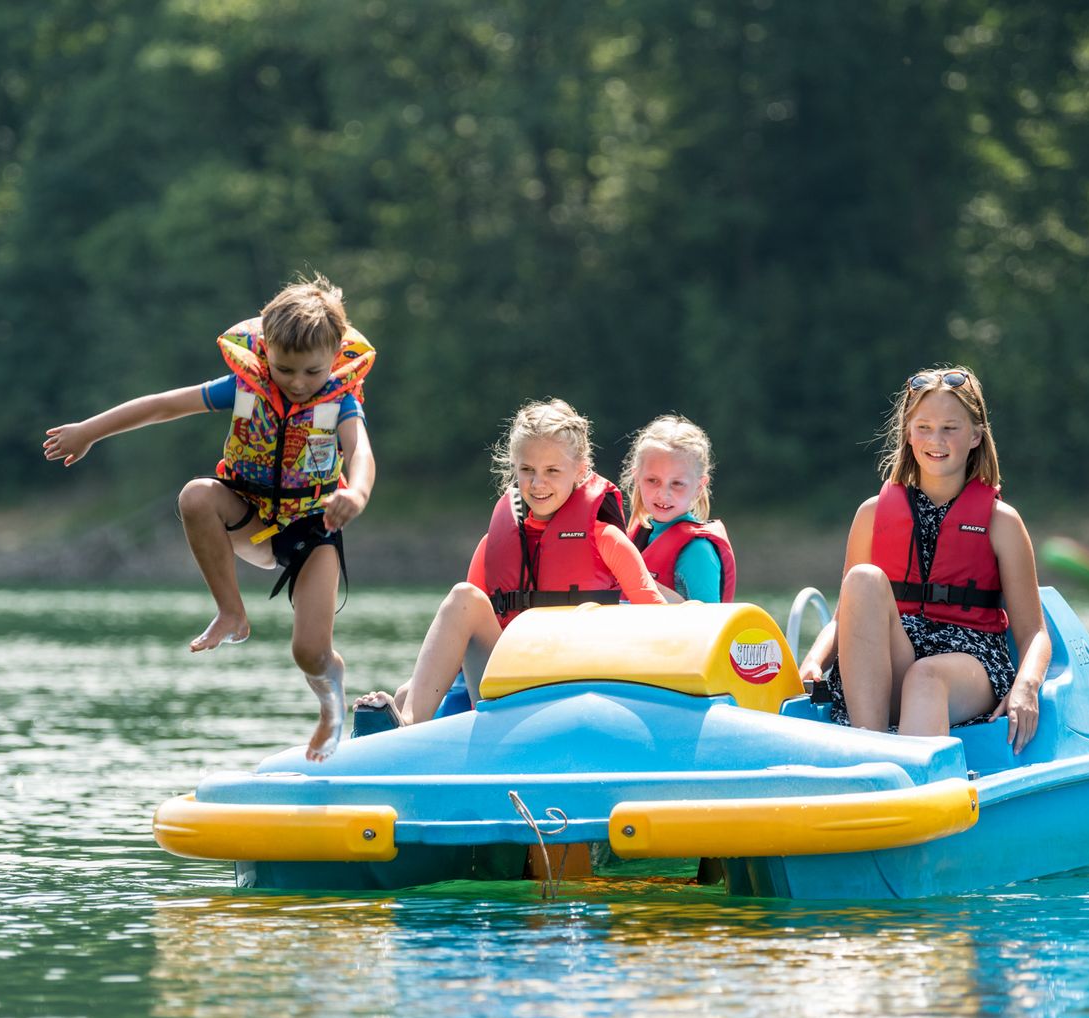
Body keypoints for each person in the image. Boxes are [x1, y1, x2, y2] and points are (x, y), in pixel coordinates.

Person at [41, 275, 375, 762]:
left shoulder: (340, 402)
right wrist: (88, 432)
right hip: (247, 510)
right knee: (196, 496)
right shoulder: (245, 388)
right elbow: (161, 406)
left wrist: (358, 494)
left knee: (309, 652)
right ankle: (231, 612)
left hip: (312, 527)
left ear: (334, 358)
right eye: (285, 369)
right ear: (265, 355)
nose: (299, 384)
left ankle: (330, 700)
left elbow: (360, 452)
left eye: (312, 371)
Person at [353, 399, 666, 728]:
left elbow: (659, 620)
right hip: (507, 687)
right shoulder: (494, 545)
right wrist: (422, 689)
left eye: (552, 471)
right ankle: (409, 722)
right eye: (527, 470)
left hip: (580, 690)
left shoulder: (607, 540)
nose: (536, 483)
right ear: (514, 468)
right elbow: (462, 631)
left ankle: (409, 720)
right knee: (464, 599)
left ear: (580, 469)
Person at [800, 367, 1051, 752]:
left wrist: (1026, 687)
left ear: (975, 436)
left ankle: (920, 785)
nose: (936, 440)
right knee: (863, 579)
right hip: (896, 658)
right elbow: (843, 618)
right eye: (924, 427)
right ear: (907, 432)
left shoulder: (1002, 523)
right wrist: (813, 662)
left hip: (968, 663)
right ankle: (870, 753)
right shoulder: (872, 514)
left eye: (950, 428)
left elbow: (1034, 633)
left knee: (926, 676)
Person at [620, 415, 736, 603]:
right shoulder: (633, 537)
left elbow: (709, 625)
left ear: (699, 486)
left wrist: (650, 591)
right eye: (653, 480)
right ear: (637, 477)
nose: (663, 494)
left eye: (677, 483)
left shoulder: (698, 551)